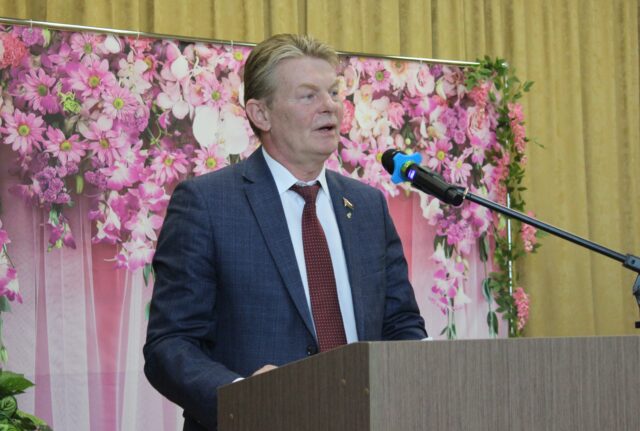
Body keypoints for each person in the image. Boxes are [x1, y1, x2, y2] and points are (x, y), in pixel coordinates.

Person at [143, 33, 427, 431]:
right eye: (308, 95)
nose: (330, 105)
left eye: (333, 92)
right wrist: (244, 396)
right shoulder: (207, 204)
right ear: (261, 114)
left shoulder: (367, 206)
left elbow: (401, 325)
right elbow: (170, 344)